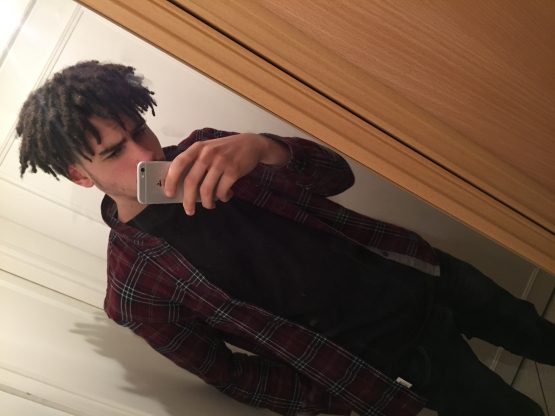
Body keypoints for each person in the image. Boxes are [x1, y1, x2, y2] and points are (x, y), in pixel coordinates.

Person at [16, 60, 553, 416]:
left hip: (421, 270)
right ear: (79, 175)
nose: (146, 154)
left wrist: (266, 147)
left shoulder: (210, 148)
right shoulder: (135, 287)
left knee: (537, 331)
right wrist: (339, 392)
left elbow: (338, 175)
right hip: (398, 361)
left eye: (140, 130)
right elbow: (229, 374)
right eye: (114, 152)